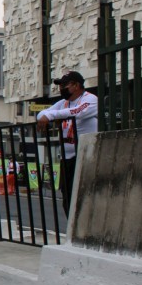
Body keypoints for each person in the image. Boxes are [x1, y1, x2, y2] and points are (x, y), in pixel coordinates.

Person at [36, 70, 98, 216]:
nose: (61, 89)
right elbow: (42, 114)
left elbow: (78, 112)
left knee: (82, 194)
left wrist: (51, 115)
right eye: (60, 86)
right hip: (66, 156)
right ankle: (71, 225)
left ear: (76, 85)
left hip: (84, 155)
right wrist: (47, 115)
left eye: (64, 85)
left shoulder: (90, 99)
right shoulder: (63, 103)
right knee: (67, 196)